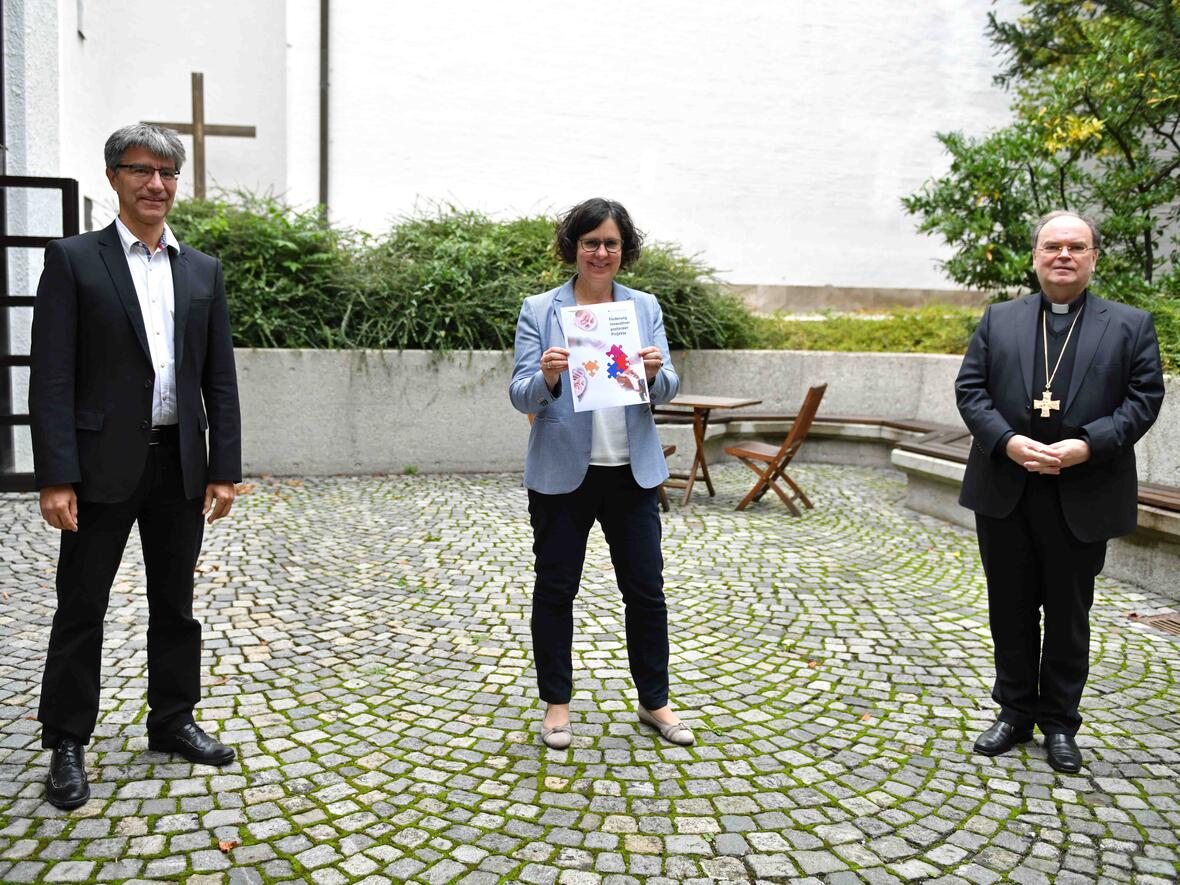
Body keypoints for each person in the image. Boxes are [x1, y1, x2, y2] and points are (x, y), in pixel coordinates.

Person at [29, 124, 243, 809]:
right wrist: (56, 474)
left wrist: (224, 468)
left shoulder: (202, 269)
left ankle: (172, 718)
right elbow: (52, 376)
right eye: (141, 170)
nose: (156, 184)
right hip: (97, 467)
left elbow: (220, 380)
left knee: (175, 606)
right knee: (82, 604)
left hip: (179, 462)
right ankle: (66, 737)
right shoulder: (73, 260)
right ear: (114, 176)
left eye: (168, 173)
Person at [955, 210, 1164, 773]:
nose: (1064, 256)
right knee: (1011, 607)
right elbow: (971, 390)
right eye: (1052, 246)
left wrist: (1086, 446)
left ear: (1094, 257)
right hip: (1008, 487)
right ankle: (1014, 713)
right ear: (1035, 257)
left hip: (1083, 490)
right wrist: (1008, 442)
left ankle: (1060, 724)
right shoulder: (1000, 320)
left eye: (1077, 246)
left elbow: (1143, 401)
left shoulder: (1129, 324)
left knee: (1069, 614)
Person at [508, 198, 693, 749]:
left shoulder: (643, 308)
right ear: (574, 247)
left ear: (624, 249)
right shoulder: (540, 309)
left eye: (611, 243)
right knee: (556, 589)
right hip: (564, 475)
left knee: (646, 592)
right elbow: (519, 392)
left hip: (631, 474)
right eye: (590, 242)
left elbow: (669, 386)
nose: (601, 252)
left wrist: (657, 374)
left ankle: (654, 701)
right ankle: (557, 705)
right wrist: (547, 376)